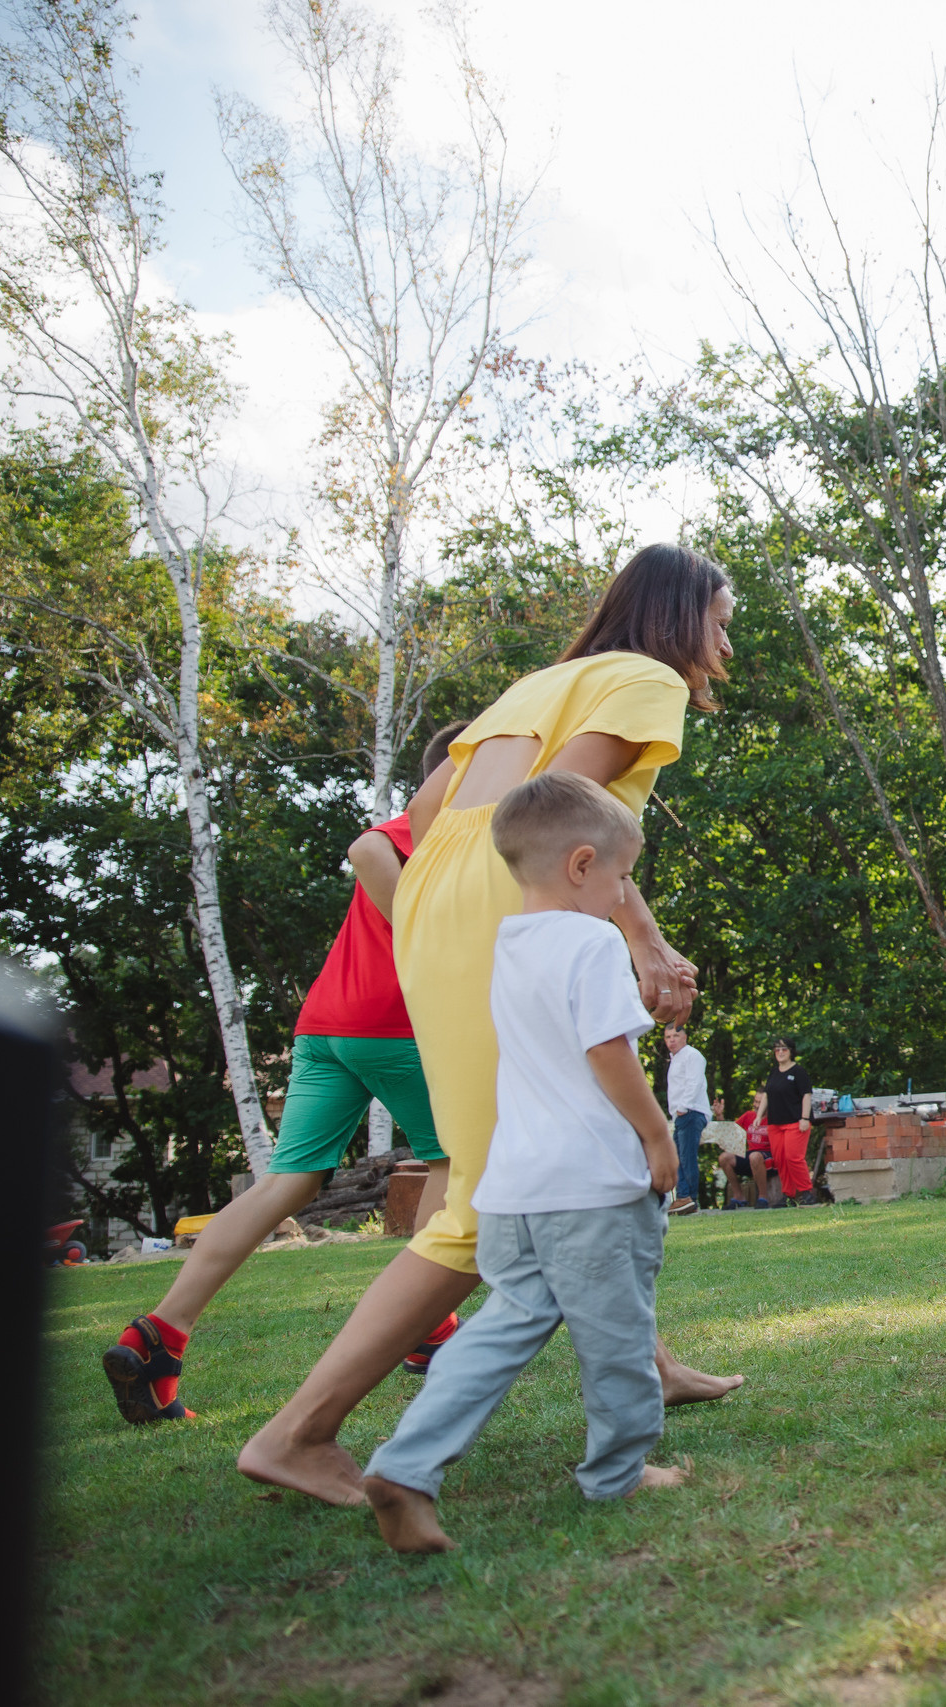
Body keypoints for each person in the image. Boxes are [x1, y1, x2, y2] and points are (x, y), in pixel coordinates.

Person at [238, 544, 744, 1508]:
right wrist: (642, 939)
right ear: (680, 618)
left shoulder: (542, 682)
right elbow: (560, 814)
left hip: (436, 899)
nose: (724, 641)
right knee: (493, 1193)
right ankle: (299, 1432)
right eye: (719, 620)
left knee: (535, 1155)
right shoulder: (645, 679)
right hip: (505, 897)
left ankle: (649, 1364)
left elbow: (428, 815)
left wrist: (461, 898)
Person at [102, 721, 469, 1425]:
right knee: (449, 1164)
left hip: (325, 1024)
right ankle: (429, 1330)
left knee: (286, 1181)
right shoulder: (437, 824)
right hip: (394, 1026)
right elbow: (367, 847)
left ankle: (159, 1336)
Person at [362, 772, 687, 1553]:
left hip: (512, 1192)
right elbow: (607, 1051)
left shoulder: (508, 944)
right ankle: (619, 1471)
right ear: (582, 865)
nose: (622, 894)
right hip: (590, 1189)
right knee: (616, 1332)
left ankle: (406, 1464)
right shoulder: (590, 942)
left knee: (500, 1329)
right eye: (620, 875)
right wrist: (655, 1133)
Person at [758, 1038, 816, 1207]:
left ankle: (806, 1192)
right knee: (780, 1159)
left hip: (795, 1122)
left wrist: (805, 1118)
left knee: (794, 1157)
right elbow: (766, 1095)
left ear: (791, 1051)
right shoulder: (774, 1072)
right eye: (777, 1049)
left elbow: (807, 1095)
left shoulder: (798, 1071)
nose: (780, 1052)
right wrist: (758, 1116)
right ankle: (788, 1195)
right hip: (775, 1123)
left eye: (784, 1049)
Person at [663, 1025, 710, 1214]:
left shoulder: (692, 1055)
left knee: (686, 1157)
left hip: (691, 1112)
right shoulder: (676, 1059)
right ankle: (683, 1197)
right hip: (681, 1114)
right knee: (678, 1158)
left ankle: (690, 1198)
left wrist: (683, 1107)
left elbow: (695, 1082)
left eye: (676, 1035)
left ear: (685, 1037)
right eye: (667, 1036)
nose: (671, 1040)